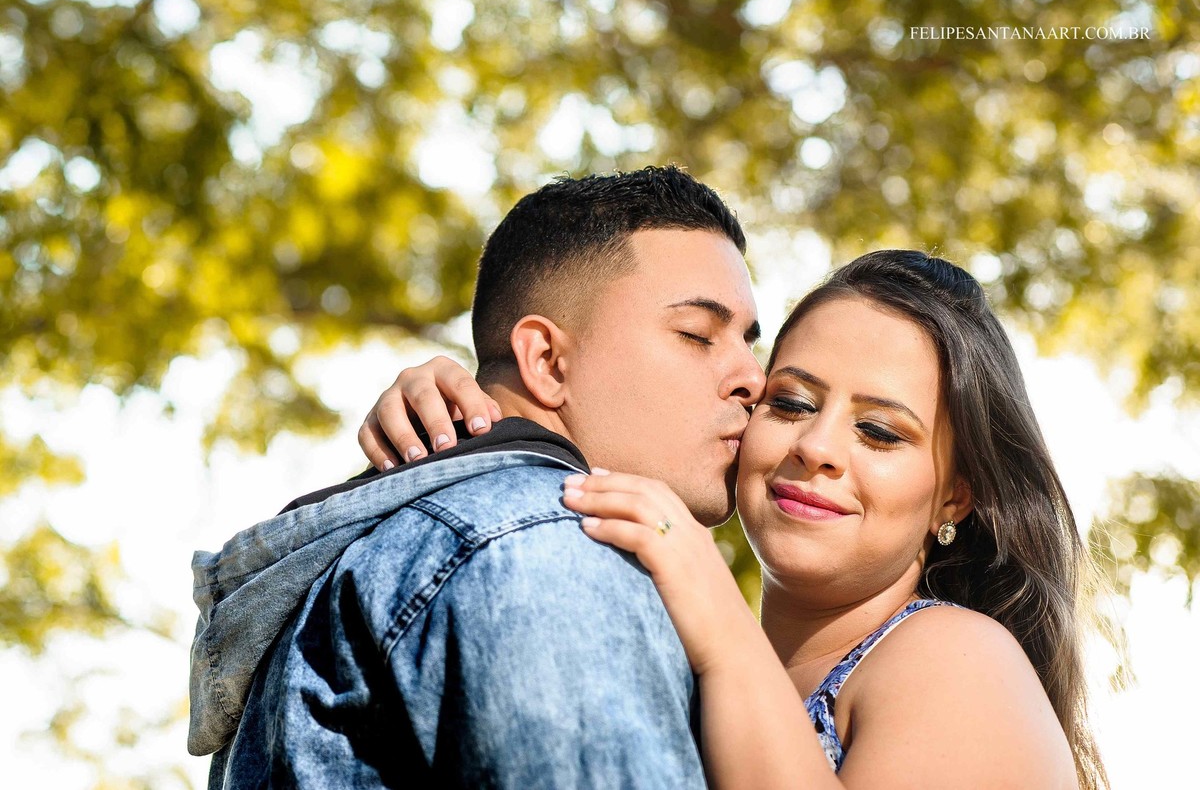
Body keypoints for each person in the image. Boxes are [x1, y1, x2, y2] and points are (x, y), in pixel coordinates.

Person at [367, 250, 1108, 788]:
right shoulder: (674, 642)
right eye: (789, 404)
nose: (816, 448)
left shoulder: (956, 655)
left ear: (956, 497)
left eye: (880, 432)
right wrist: (476, 413)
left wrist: (724, 634)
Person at [187, 166, 765, 787]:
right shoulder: (548, 549)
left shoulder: (384, 553)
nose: (753, 378)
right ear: (545, 360)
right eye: (697, 334)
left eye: (749, 342)